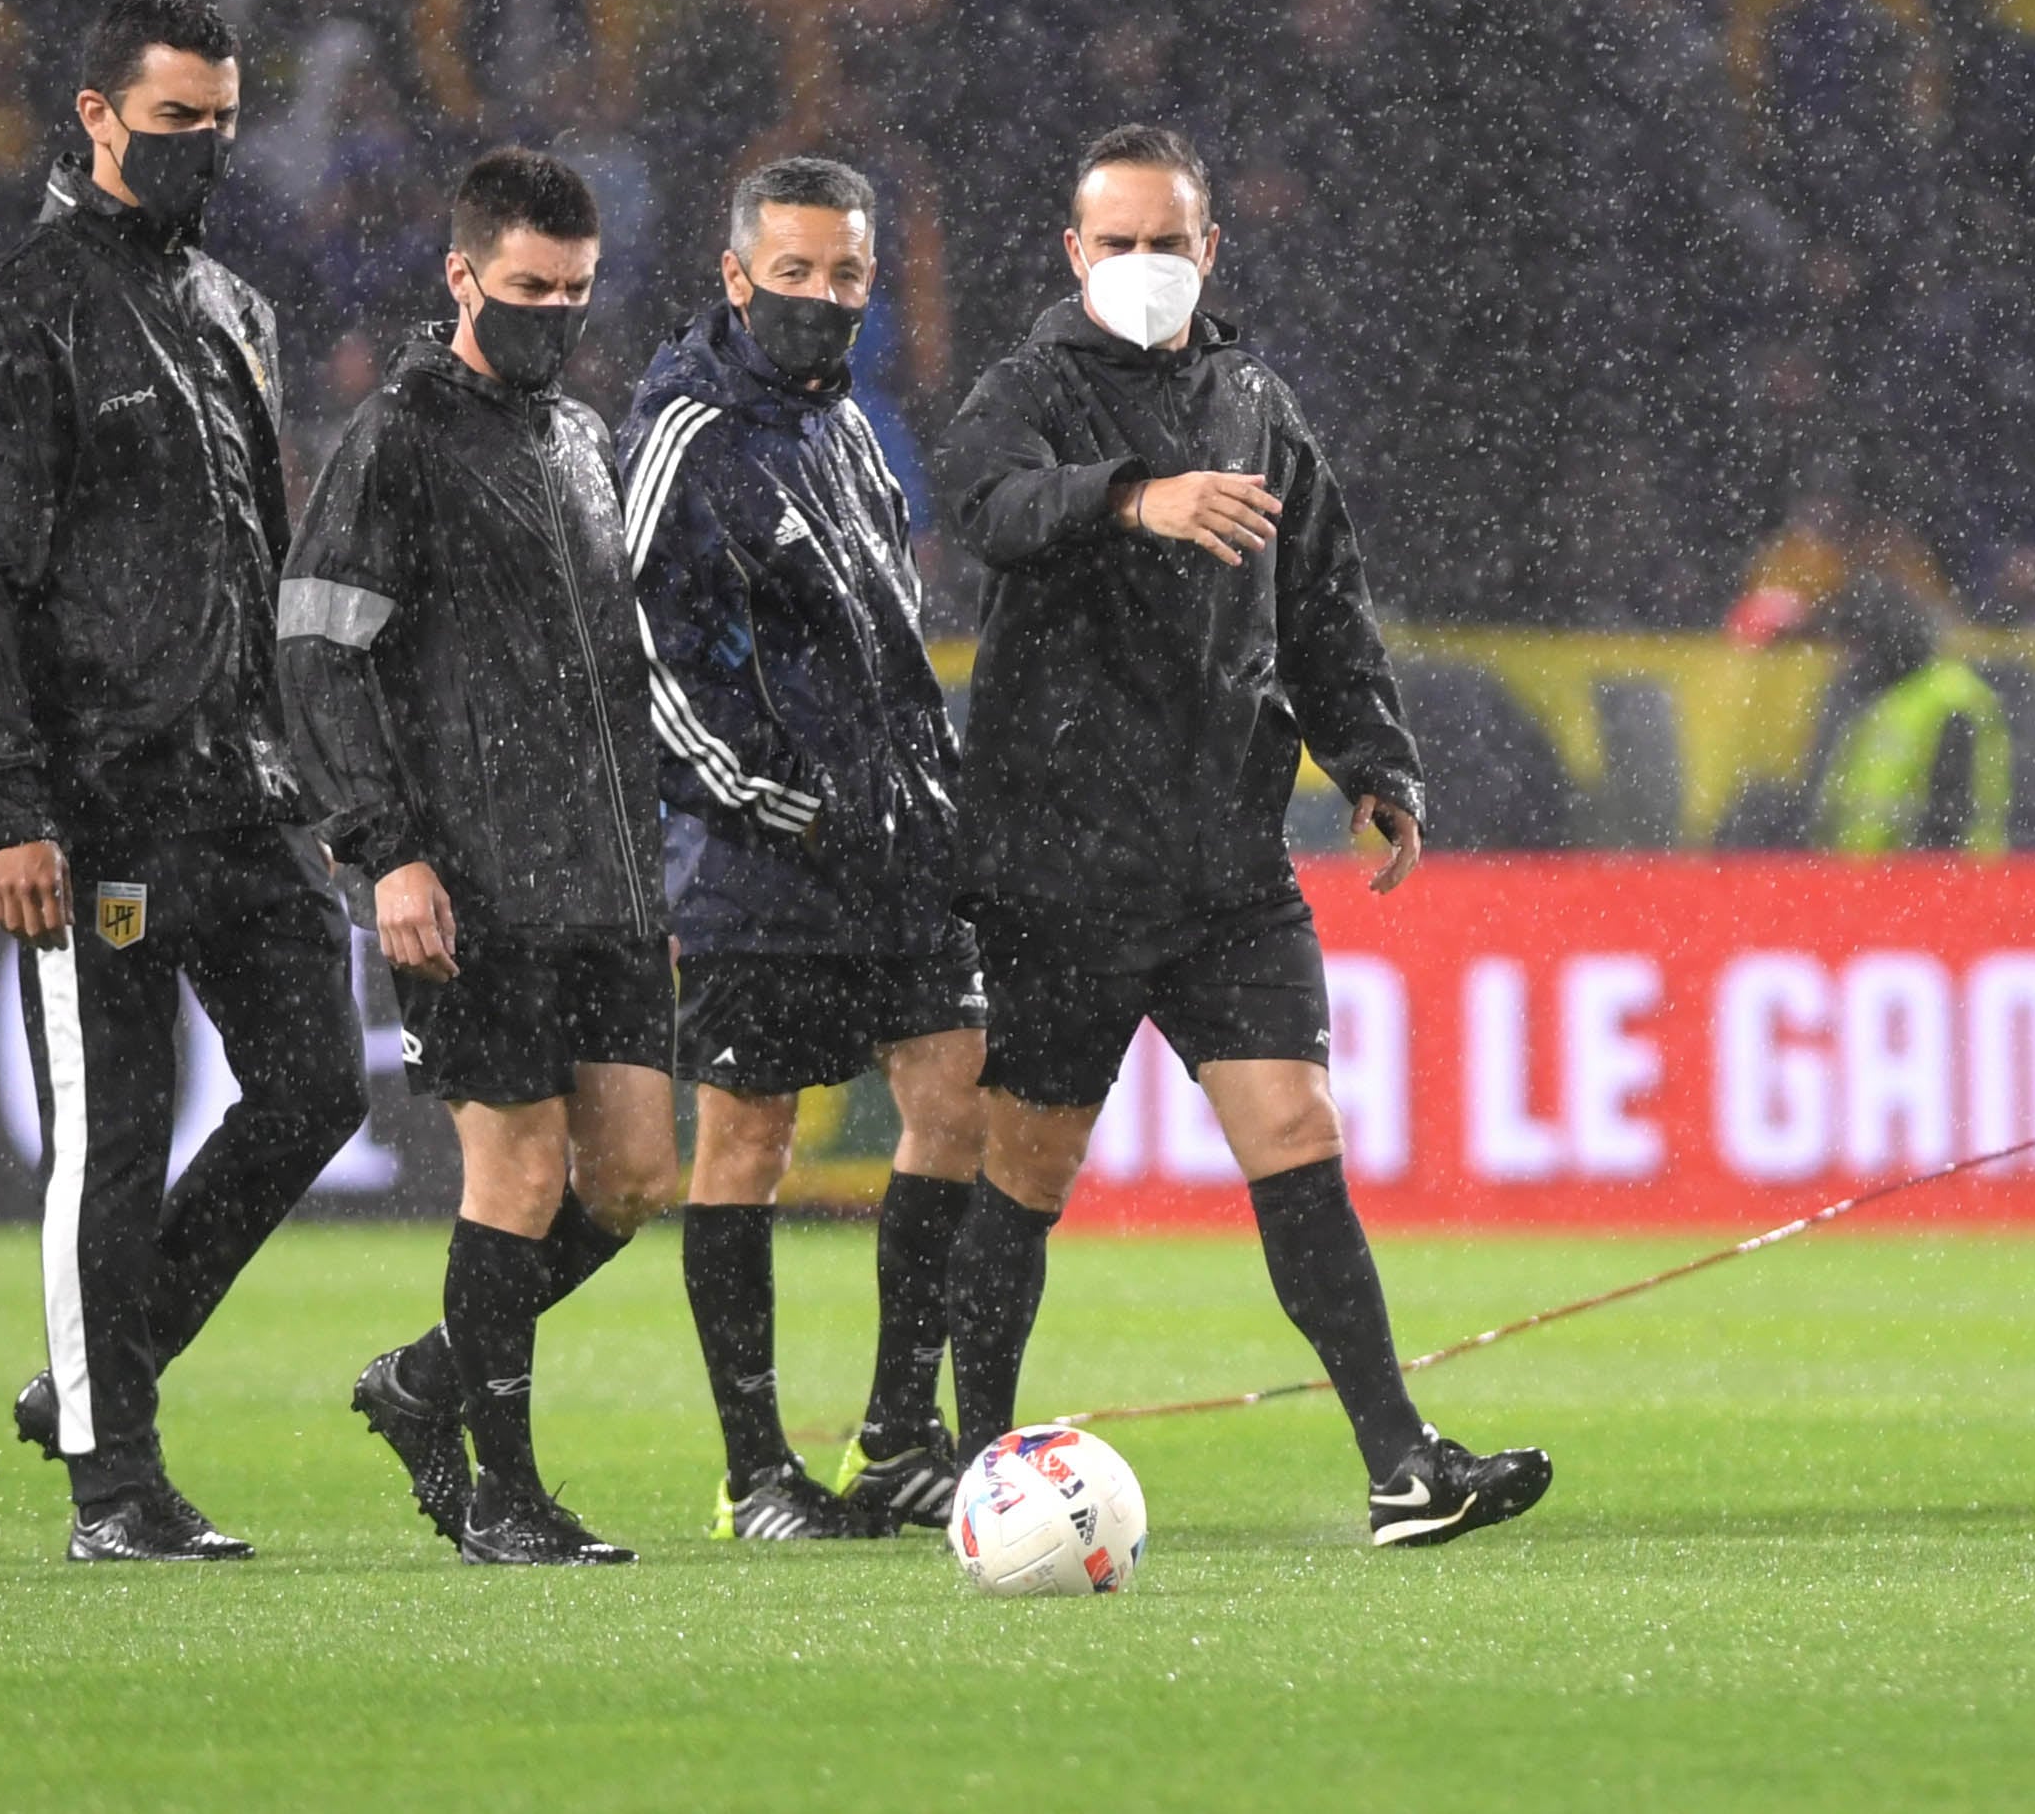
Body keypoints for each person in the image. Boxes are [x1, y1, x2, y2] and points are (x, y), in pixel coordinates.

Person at [939, 123, 1552, 1549]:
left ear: (1207, 250)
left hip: (1223, 861)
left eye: (1167, 242)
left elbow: (1323, 599)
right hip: (1057, 863)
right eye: (1117, 243)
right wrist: (1128, 498)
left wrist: (1373, 761)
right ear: (1072, 253)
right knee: (1024, 1168)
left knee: (1294, 1129)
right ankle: (978, 1463)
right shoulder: (1024, 389)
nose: (1142, 265)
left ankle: (1400, 1466)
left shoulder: (1254, 403)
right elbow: (986, 507)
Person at [0, 0, 369, 1563]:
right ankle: (117, 1486)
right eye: (174, 122)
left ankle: (99, 1376)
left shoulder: (232, 308)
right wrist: (5, 810)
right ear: (95, 115)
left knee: (317, 1087)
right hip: (94, 801)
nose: (203, 150)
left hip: (236, 788)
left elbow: (262, 553)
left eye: (221, 124)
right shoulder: (18, 306)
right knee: (114, 1130)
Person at [280, 148, 676, 1566]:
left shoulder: (577, 437)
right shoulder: (394, 440)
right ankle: (505, 1494)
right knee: (512, 1174)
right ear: (459, 275)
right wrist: (385, 850)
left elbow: (612, 674)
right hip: (474, 880)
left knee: (628, 1181)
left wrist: (651, 859)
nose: (551, 317)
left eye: (573, 294)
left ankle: (424, 1381)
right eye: (525, 289)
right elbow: (316, 656)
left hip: (610, 884)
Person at [615, 156, 981, 1540]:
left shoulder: (849, 429)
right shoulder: (682, 429)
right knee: (745, 1141)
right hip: (756, 858)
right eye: (794, 275)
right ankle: (755, 1467)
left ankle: (892, 1438)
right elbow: (646, 662)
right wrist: (777, 802)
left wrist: (923, 802)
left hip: (892, 845)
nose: (821, 301)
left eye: (844, 278)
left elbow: (884, 652)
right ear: (733, 277)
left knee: (953, 1102)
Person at [1811, 576, 2009, 854]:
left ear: (1882, 641)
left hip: (1939, 882)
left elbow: (1950, 819)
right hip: (1869, 880)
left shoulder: (1950, 698)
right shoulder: (1881, 698)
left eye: (1855, 647)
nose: (1848, 661)